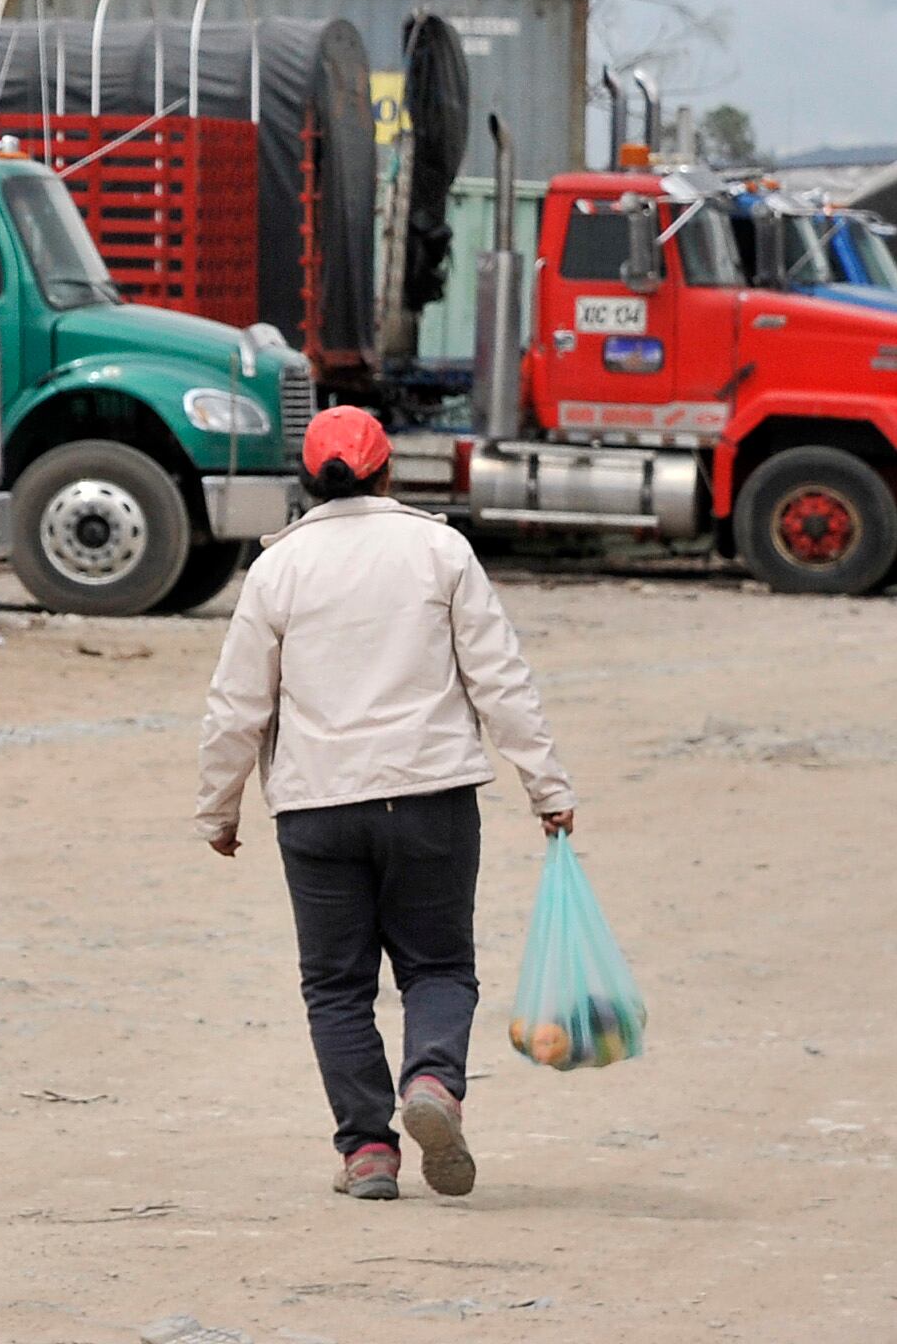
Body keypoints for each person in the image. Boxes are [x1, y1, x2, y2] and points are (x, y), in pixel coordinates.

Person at [197, 403, 574, 1203]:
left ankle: (369, 1150)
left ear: (308, 480)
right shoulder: (440, 549)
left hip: (316, 808)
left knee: (336, 986)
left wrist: (219, 808)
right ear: (387, 471)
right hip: (430, 797)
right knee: (437, 964)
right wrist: (546, 785)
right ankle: (433, 1082)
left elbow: (238, 704)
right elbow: (500, 679)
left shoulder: (278, 568)